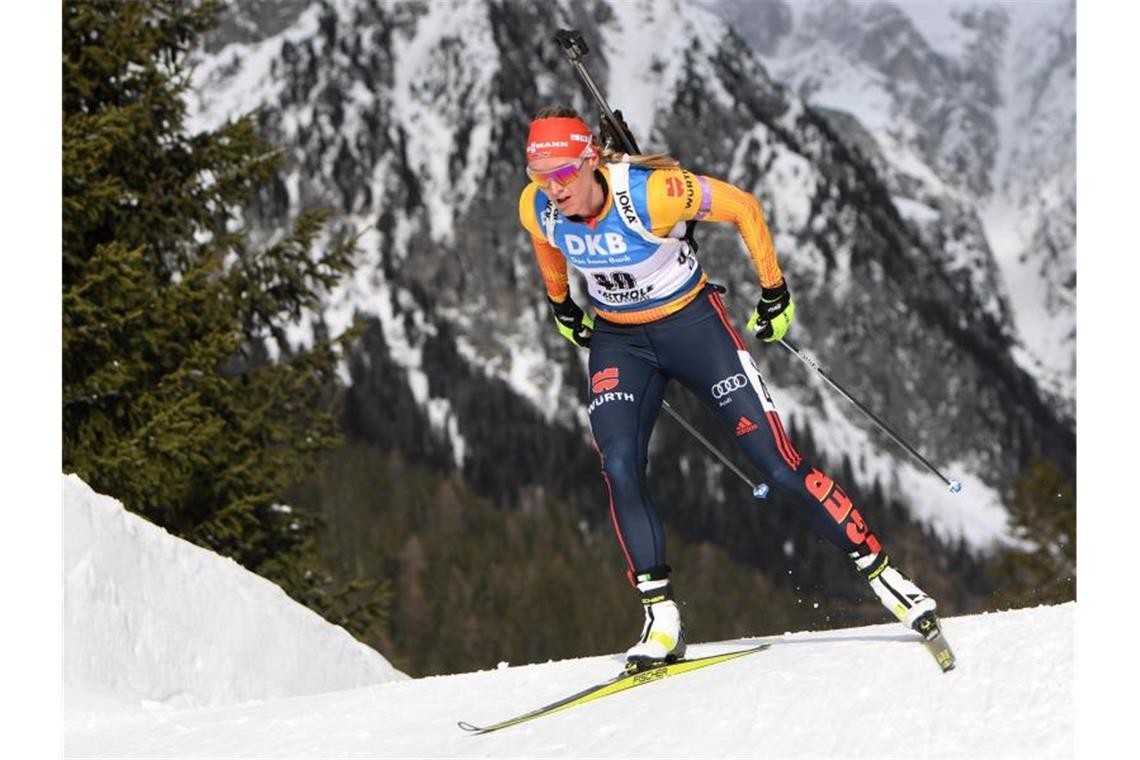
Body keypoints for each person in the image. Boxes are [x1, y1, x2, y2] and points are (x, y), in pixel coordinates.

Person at [517, 106, 941, 670]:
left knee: (778, 465)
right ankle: (661, 618)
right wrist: (560, 301)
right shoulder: (539, 205)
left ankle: (886, 577)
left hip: (694, 328)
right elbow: (546, 239)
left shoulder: (651, 195)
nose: (554, 188)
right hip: (621, 343)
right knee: (618, 464)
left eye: (565, 173)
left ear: (590, 158)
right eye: (541, 176)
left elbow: (742, 206)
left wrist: (774, 291)